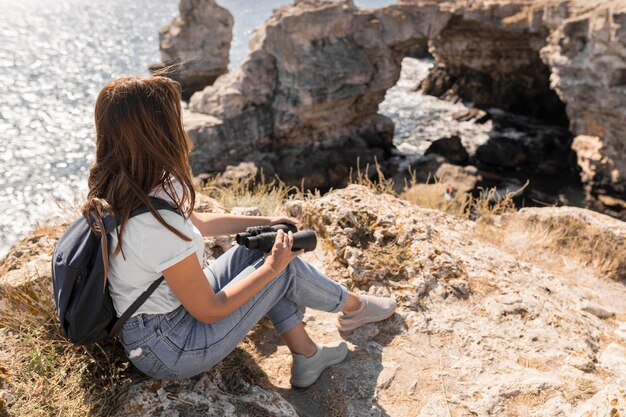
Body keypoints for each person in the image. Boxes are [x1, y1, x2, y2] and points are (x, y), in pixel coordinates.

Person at [82, 75, 397, 388]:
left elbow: (198, 223)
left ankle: (307, 355)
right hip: (169, 347)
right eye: (174, 119)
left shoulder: (130, 185)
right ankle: (354, 308)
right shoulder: (152, 227)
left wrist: (266, 224)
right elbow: (209, 310)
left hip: (170, 312)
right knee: (279, 270)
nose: (182, 128)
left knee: (265, 250)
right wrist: (274, 267)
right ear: (156, 133)